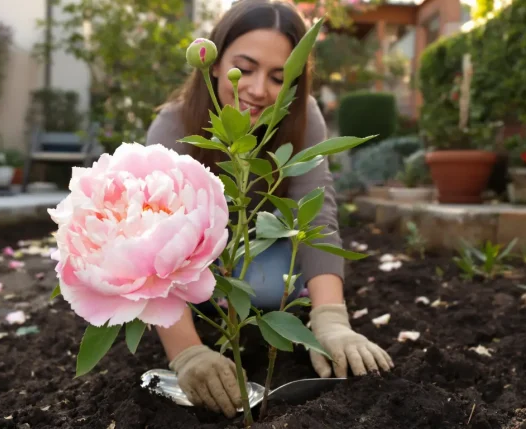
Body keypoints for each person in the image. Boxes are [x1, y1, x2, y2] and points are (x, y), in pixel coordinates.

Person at [144, 0, 393, 418]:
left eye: (279, 77)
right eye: (246, 67)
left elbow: (316, 214)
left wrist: (331, 318)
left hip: (258, 254)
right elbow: (150, 245)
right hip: (187, 265)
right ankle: (208, 309)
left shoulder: (301, 116)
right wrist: (186, 353)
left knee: (265, 282)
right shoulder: (173, 126)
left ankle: (257, 304)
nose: (259, 89)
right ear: (218, 61)